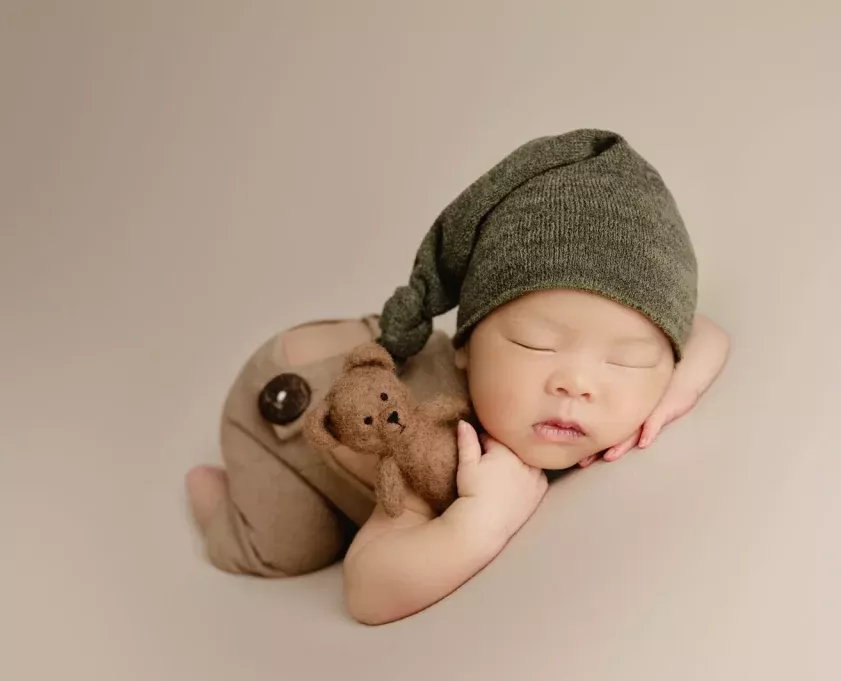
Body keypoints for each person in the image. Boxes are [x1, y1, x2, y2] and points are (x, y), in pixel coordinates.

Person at [185, 129, 729, 624]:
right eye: (534, 344)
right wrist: (476, 522)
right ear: (466, 344)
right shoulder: (440, 441)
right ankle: (218, 502)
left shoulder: (641, 369)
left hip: (363, 356)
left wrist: (670, 391)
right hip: (288, 406)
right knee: (292, 547)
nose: (577, 383)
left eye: (628, 359)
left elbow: (705, 332)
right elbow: (367, 590)